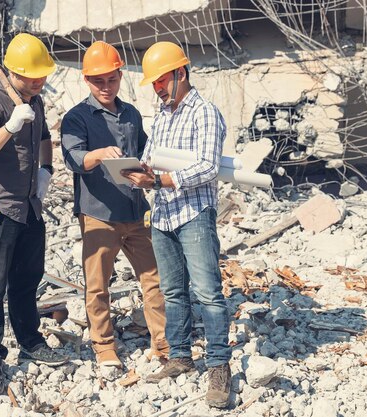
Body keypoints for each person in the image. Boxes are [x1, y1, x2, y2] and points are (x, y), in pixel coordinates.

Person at [122, 41, 232, 408]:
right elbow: (152, 156)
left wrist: (160, 181)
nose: (157, 88)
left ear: (180, 73)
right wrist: (142, 170)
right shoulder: (164, 114)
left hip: (194, 215)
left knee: (208, 294)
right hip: (164, 214)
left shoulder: (205, 112)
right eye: (153, 84)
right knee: (172, 291)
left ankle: (218, 366)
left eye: (161, 80)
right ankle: (181, 357)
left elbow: (207, 167)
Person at [0, 33, 68, 396]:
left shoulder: (35, 99)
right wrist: (9, 126)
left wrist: (46, 170)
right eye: (32, 76)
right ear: (11, 71)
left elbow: (43, 136)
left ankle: (30, 339)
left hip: (29, 206)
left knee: (28, 279)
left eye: (43, 76)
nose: (40, 82)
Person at [61, 41, 169, 368]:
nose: (106, 87)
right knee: (97, 286)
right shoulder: (76, 118)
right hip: (99, 216)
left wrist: (152, 169)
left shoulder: (132, 114)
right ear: (86, 80)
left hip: (137, 212)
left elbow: (146, 152)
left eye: (111, 79)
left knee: (156, 279)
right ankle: (104, 347)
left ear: (121, 75)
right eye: (99, 81)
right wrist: (98, 154)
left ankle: (164, 346)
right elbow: (73, 157)